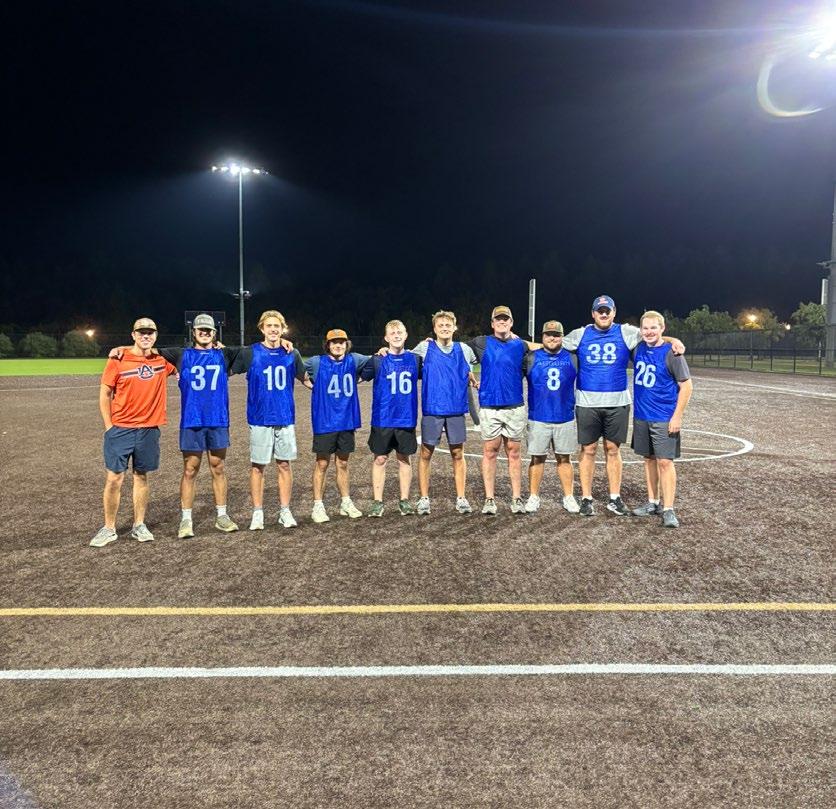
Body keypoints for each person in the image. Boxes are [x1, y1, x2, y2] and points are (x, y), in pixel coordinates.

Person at [561, 295, 685, 517]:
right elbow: (551, 343)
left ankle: (614, 498)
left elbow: (652, 335)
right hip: (587, 403)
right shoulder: (580, 334)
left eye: (607, 310)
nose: (604, 314)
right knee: (588, 450)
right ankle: (587, 497)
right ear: (593, 313)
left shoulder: (626, 332)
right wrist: (520, 341)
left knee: (613, 450)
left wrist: (673, 340)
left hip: (617, 403)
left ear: (614, 312)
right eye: (600, 311)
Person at [90, 317, 177, 547]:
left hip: (149, 429)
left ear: (155, 336)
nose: (145, 336)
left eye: (150, 332)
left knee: (141, 476)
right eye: (141, 332)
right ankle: (109, 528)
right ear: (133, 335)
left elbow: (187, 360)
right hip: (121, 429)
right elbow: (105, 394)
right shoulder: (118, 359)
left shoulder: (162, 361)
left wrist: (216, 345)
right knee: (114, 478)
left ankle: (139, 525)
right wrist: (109, 427)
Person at [229, 310, 307, 531]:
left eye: (277, 326)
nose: (273, 329)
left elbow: (306, 379)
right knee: (258, 466)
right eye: (269, 326)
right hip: (260, 417)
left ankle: (285, 511)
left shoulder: (292, 353)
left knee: (284, 464)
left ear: (282, 329)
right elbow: (225, 367)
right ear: (262, 328)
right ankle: (257, 513)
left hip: (285, 416)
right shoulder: (250, 352)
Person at [408, 310, 478, 515]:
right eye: (441, 325)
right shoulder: (424, 347)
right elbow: (402, 358)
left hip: (456, 409)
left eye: (448, 325)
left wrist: (471, 375)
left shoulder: (464, 349)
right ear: (434, 329)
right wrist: (384, 351)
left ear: (455, 328)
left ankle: (461, 498)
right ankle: (424, 498)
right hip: (433, 409)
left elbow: (473, 366)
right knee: (426, 453)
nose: (445, 328)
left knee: (458, 453)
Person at [630, 310, 693, 528]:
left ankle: (668, 509)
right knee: (648, 459)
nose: (649, 332)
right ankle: (653, 502)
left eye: (653, 328)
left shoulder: (672, 354)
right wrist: (672, 338)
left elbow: (687, 387)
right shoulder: (638, 348)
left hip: (664, 417)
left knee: (665, 462)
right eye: (645, 328)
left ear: (662, 328)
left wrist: (677, 416)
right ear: (641, 330)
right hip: (642, 416)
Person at [465, 305, 529, 515]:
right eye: (498, 319)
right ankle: (489, 499)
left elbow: (544, 346)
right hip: (490, 406)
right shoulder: (481, 342)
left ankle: (517, 498)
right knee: (490, 451)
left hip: (514, 406)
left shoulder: (521, 345)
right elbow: (456, 351)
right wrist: (430, 342)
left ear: (511, 323)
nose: (502, 322)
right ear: (492, 323)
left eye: (505, 319)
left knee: (514, 453)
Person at [304, 329, 372, 523]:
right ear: (328, 345)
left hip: (346, 420)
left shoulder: (354, 359)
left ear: (346, 344)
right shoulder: (317, 362)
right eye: (334, 342)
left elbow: (375, 360)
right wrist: (308, 383)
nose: (338, 345)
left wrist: (381, 352)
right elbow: (294, 365)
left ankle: (345, 502)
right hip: (325, 421)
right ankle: (318, 505)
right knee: (322, 463)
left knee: (343, 463)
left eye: (341, 342)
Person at [361, 320, 421, 517]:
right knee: (380, 459)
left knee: (404, 459)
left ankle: (404, 501)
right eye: (392, 333)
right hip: (383, 418)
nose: (396, 335)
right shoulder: (377, 360)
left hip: (406, 418)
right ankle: (378, 502)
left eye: (399, 332)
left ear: (406, 335)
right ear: (386, 338)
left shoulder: (415, 359)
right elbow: (358, 377)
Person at [523, 320, 580, 514]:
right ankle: (533, 496)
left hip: (565, 416)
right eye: (548, 334)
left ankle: (568, 496)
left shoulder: (573, 358)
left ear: (562, 337)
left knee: (564, 458)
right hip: (538, 416)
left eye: (556, 335)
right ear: (543, 336)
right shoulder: (531, 358)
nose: (552, 338)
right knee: (537, 458)